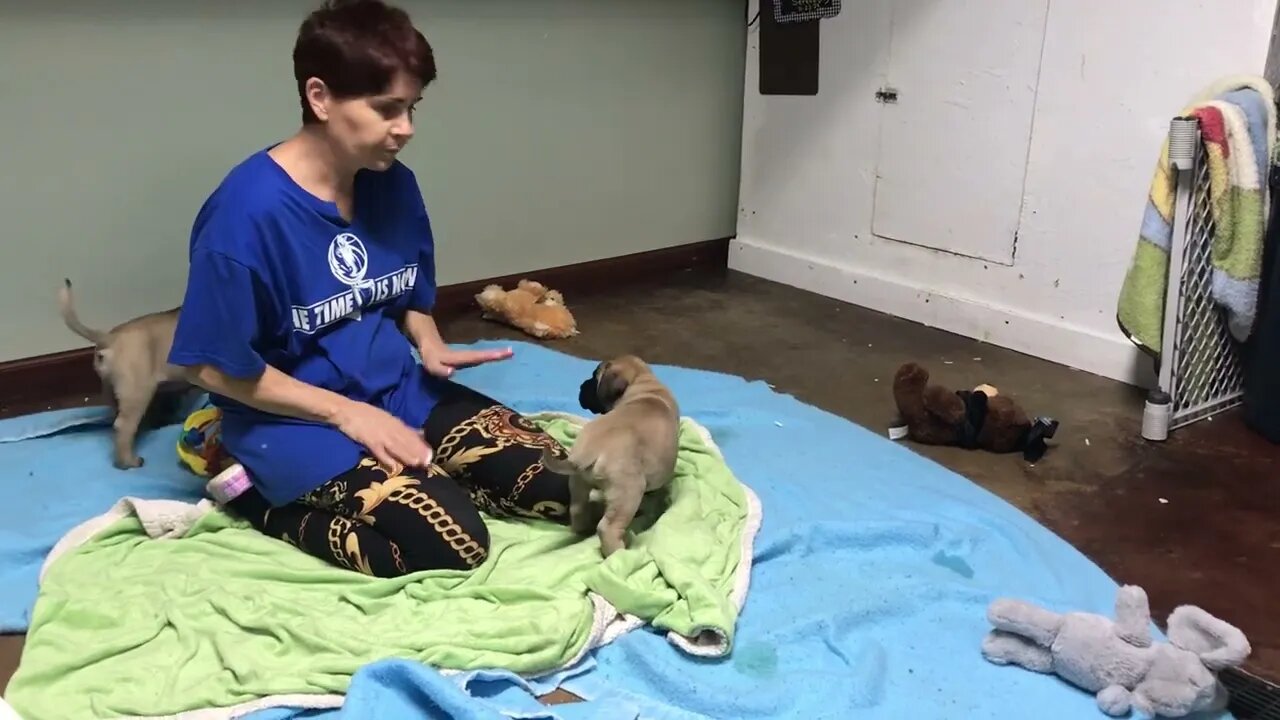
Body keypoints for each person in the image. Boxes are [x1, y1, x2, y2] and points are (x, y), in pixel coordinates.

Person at [167, 0, 572, 577]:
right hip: (291, 418)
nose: (405, 128)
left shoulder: (392, 185)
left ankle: (437, 470)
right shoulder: (243, 216)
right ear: (320, 97)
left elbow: (407, 293)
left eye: (412, 107)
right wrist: (348, 416)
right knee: (455, 544)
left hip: (397, 387)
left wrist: (427, 342)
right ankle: (252, 497)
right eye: (387, 109)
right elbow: (205, 367)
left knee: (576, 488)